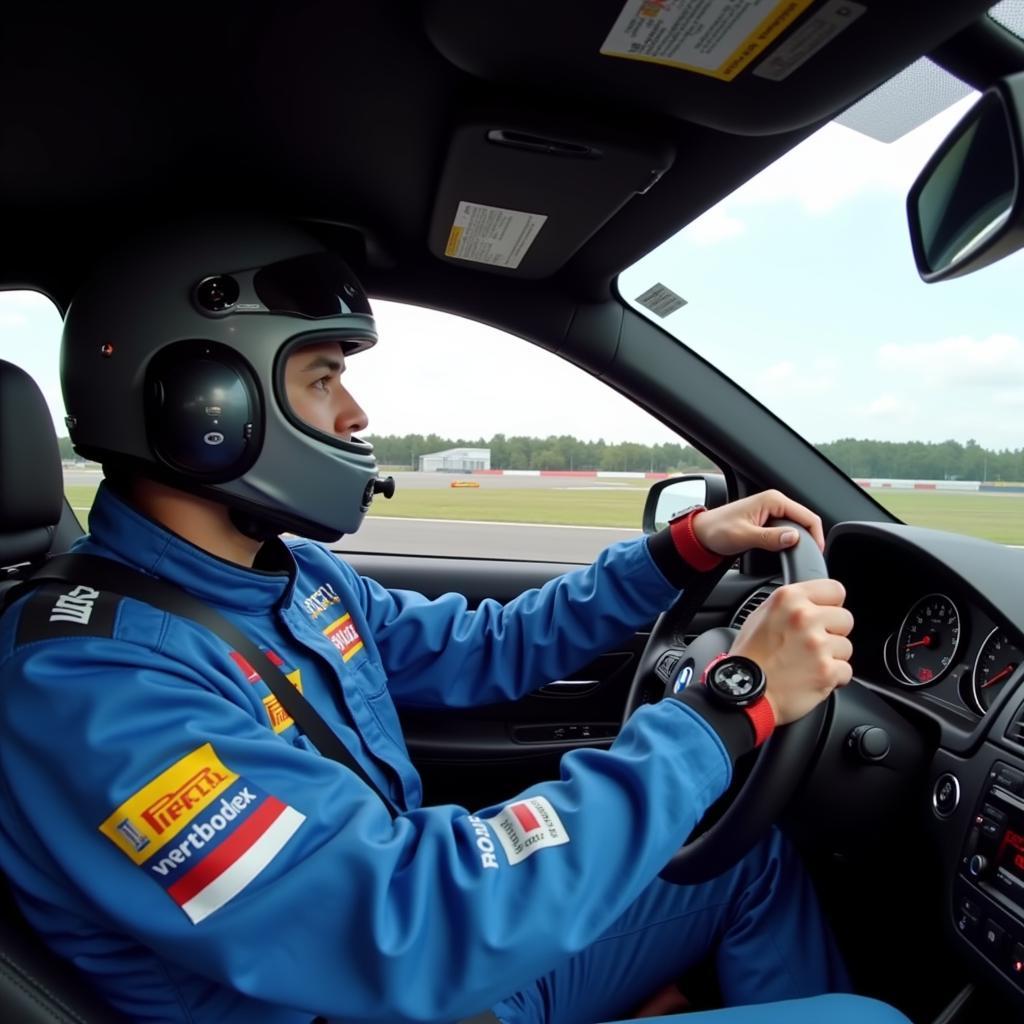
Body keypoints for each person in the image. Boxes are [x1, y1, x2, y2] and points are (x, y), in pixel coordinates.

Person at [0, 221, 868, 1024]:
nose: (355, 416)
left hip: (430, 966)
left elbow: (487, 648)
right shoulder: (87, 687)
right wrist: (729, 707)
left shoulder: (288, 577)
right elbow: (404, 926)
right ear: (206, 408)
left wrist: (678, 551)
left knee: (743, 859)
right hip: (389, 985)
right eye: (323, 377)